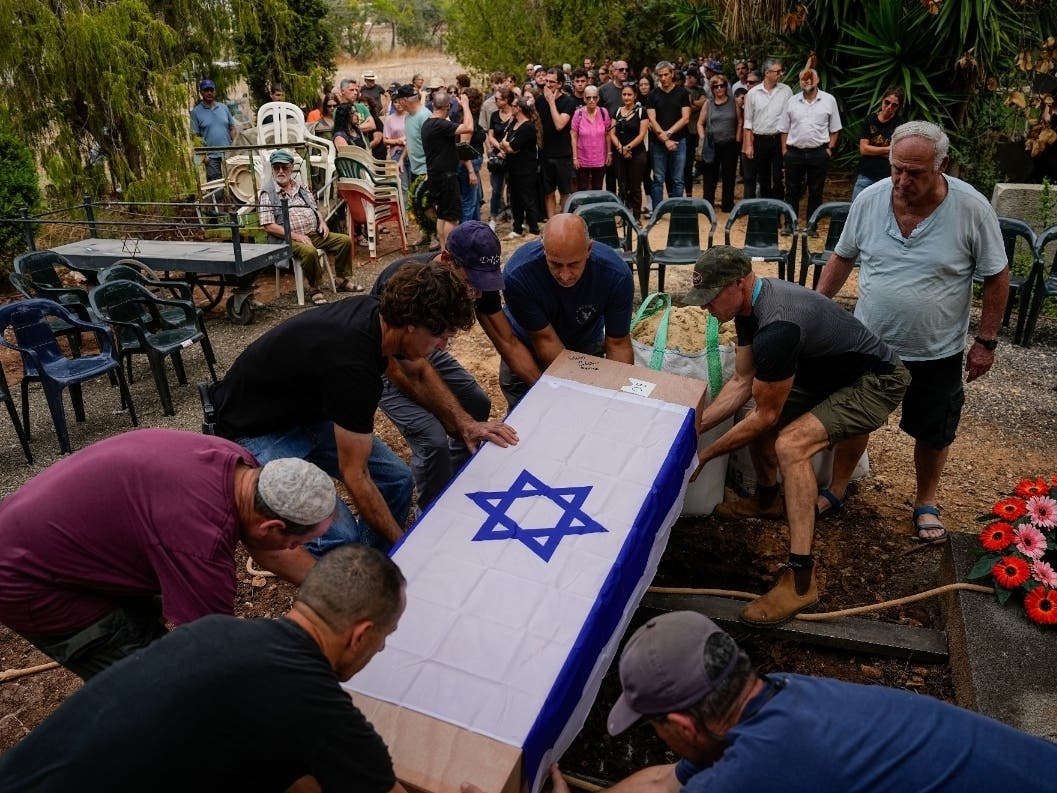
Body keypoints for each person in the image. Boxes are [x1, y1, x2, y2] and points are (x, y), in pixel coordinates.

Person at [0, 545, 408, 793]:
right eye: (386, 635)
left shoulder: (215, 631)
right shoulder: (318, 705)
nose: (383, 646)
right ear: (360, 635)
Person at [207, 262, 513, 574]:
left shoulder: (377, 316)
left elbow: (416, 373)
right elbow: (356, 474)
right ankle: (349, 586)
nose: (442, 346)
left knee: (396, 479)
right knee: (336, 534)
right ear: (411, 325)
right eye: (439, 336)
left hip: (304, 413)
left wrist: (464, 424)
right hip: (253, 430)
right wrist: (409, 549)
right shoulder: (353, 367)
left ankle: (373, 567)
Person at [566, 610, 1057, 793]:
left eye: (654, 728)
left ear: (682, 726)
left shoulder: (762, 766)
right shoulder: (775, 694)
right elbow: (663, 782)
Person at [0, 428, 337, 679]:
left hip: (56, 533)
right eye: (296, 542)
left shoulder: (242, 468)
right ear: (271, 526)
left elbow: (273, 550)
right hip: (25, 577)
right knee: (150, 680)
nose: (296, 550)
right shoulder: (200, 541)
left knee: (148, 620)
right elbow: (214, 650)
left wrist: (337, 601)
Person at [687, 246, 909, 625]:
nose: (706, 309)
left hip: (875, 381)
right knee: (753, 411)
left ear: (739, 283)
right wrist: (691, 429)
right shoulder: (745, 308)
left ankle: (801, 579)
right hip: (828, 373)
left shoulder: (777, 328)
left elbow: (766, 416)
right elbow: (742, 382)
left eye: (709, 299)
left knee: (790, 443)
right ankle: (767, 499)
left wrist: (702, 455)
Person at [817, 121, 1009, 542]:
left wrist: (986, 341)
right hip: (869, 343)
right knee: (854, 421)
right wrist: (816, 308)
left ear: (942, 166)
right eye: (897, 169)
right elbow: (842, 257)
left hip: (936, 350)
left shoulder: (971, 208)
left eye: (916, 173)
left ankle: (926, 500)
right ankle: (837, 487)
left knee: (932, 430)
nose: (903, 181)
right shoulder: (869, 200)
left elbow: (998, 276)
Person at [370, 222, 531, 510]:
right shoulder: (403, 281)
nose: (479, 294)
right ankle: (431, 511)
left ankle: (458, 482)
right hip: (388, 360)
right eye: (472, 284)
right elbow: (405, 368)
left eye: (486, 284)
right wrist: (451, 418)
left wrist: (547, 386)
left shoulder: (479, 283)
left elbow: (508, 343)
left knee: (476, 403)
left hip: (427, 349)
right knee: (432, 437)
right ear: (446, 259)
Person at [500, 213, 635, 407]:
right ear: (543, 249)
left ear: (588, 249)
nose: (564, 275)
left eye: (573, 264)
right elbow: (544, 339)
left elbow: (618, 343)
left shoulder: (615, 275)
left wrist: (616, 395)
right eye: (555, 264)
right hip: (529, 347)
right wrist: (566, 394)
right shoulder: (519, 274)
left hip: (585, 342)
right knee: (533, 415)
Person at [259, 149, 360, 305]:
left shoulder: (301, 187)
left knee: (344, 241)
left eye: (284, 167)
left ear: (291, 168)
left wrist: (322, 222)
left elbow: (314, 209)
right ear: (272, 168)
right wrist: (297, 236)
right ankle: (314, 288)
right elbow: (268, 226)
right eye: (276, 167)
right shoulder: (268, 193)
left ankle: (341, 279)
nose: (280, 171)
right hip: (287, 240)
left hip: (312, 233)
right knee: (309, 251)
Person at [779, 67, 841, 232]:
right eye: (802, 79)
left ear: (817, 80)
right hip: (794, 153)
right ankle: (789, 224)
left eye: (809, 78)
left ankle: (812, 225)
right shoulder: (792, 101)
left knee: (816, 191)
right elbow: (784, 129)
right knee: (791, 190)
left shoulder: (829, 100)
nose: (806, 81)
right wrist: (785, 151)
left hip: (818, 153)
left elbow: (835, 129)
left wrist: (829, 149)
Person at [422, 90, 474, 249]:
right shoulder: (440, 124)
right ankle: (450, 250)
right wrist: (465, 105)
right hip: (446, 177)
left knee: (442, 215)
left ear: (432, 105)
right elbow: (469, 128)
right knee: (452, 217)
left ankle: (444, 250)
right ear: (448, 106)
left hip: (435, 176)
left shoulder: (427, 124)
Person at [742, 58, 791, 200]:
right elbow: (748, 121)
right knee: (763, 178)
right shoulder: (753, 93)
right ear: (767, 73)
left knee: (778, 178)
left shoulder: (786, 90)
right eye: (778, 71)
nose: (780, 74)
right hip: (760, 139)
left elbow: (790, 117)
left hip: (778, 139)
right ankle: (765, 213)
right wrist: (749, 145)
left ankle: (779, 212)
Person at [646, 60, 692, 208]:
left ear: (672, 74)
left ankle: (677, 210)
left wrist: (669, 133)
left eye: (666, 74)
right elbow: (651, 119)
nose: (664, 78)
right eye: (660, 75)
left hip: (679, 140)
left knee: (678, 179)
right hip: (658, 143)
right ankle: (658, 210)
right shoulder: (653, 95)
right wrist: (665, 139)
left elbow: (685, 118)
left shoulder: (682, 93)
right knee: (658, 178)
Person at [500, 96, 543, 239]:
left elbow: (512, 147)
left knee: (527, 198)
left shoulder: (528, 127)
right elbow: (503, 142)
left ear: (519, 108)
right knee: (515, 199)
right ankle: (517, 228)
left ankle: (534, 230)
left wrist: (507, 146)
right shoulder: (513, 124)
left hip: (526, 169)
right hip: (512, 168)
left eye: (512, 105)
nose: (510, 107)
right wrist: (507, 146)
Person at [697, 72, 740, 212]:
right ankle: (707, 204)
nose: (719, 89)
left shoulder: (733, 102)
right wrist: (703, 138)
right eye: (716, 86)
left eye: (722, 86)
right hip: (712, 144)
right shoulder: (708, 104)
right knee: (710, 176)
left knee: (729, 175)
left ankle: (727, 204)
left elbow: (740, 121)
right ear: (712, 88)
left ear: (726, 87)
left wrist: (738, 137)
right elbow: (700, 123)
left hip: (729, 143)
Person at [852, 87, 905, 200]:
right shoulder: (870, 120)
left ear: (898, 107)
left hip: (888, 177)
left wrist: (873, 150)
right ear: (882, 100)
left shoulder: (900, 124)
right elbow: (863, 149)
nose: (889, 107)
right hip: (866, 174)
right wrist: (887, 149)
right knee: (857, 207)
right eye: (887, 102)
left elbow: (896, 153)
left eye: (894, 105)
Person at [539, 67, 578, 218]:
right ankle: (551, 224)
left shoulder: (568, 101)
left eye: (552, 82)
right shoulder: (540, 100)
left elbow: (560, 124)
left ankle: (564, 223)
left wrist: (551, 103)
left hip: (562, 154)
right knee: (548, 193)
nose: (548, 85)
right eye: (546, 81)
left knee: (564, 192)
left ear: (560, 84)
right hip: (545, 153)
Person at [610, 83, 649, 218]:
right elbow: (612, 133)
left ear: (635, 96)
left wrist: (628, 148)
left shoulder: (641, 111)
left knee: (635, 187)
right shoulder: (616, 111)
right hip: (620, 153)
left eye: (629, 94)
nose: (626, 97)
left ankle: (636, 217)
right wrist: (621, 149)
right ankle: (623, 216)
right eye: (624, 94)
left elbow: (641, 134)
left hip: (636, 153)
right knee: (622, 186)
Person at [189, 78, 236, 181]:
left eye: (211, 90)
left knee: (234, 183)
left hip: (228, 154)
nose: (209, 93)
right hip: (211, 157)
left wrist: (235, 147)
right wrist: (203, 156)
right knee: (216, 189)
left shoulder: (223, 108)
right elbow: (195, 137)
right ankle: (217, 197)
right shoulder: (196, 112)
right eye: (206, 90)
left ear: (215, 91)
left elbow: (232, 128)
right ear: (201, 92)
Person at [570, 85, 611, 190]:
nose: (591, 100)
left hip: (600, 158)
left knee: (598, 188)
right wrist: (575, 158)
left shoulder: (603, 112)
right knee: (582, 188)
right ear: (584, 98)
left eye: (594, 97)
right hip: (582, 158)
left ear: (598, 98)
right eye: (588, 98)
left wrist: (609, 153)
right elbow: (573, 135)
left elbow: (608, 134)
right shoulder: (578, 113)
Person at [485, 88, 515, 230]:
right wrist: (500, 148)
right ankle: (493, 217)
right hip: (498, 156)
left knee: (513, 187)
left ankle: (513, 215)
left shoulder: (514, 115)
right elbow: (490, 135)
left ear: (506, 100)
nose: (495, 101)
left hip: (513, 155)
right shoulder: (494, 115)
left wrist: (507, 149)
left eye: (497, 99)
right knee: (496, 189)